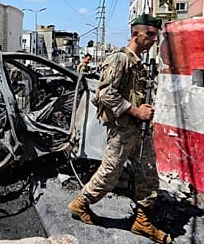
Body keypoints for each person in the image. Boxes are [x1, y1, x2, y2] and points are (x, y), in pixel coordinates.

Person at [67, 14, 172, 244]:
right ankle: (81, 203)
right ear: (136, 34)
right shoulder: (120, 59)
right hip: (123, 129)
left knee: (148, 174)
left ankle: (142, 221)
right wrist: (136, 112)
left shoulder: (138, 62)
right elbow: (105, 94)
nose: (154, 40)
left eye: (156, 35)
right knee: (109, 173)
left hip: (139, 131)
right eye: (150, 35)